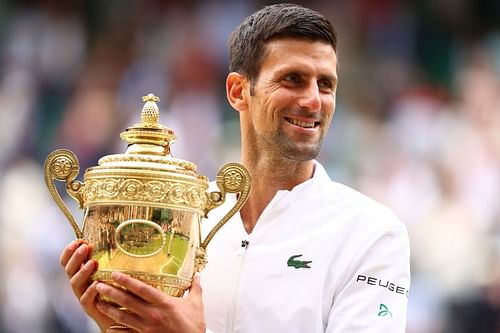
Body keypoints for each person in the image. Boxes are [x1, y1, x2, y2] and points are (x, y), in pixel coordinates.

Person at [60, 3, 411, 332]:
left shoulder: (373, 233)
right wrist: (120, 322)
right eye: (292, 79)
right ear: (238, 91)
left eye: (326, 84)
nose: (313, 100)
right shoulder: (185, 214)